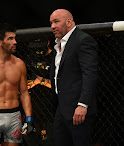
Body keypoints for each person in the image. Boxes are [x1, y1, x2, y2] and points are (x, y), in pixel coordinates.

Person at [49, 9, 98, 146]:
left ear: (69, 22)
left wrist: (83, 104)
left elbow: (90, 74)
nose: (52, 26)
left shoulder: (83, 40)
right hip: (61, 107)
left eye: (56, 21)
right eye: (51, 22)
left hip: (78, 108)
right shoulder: (59, 43)